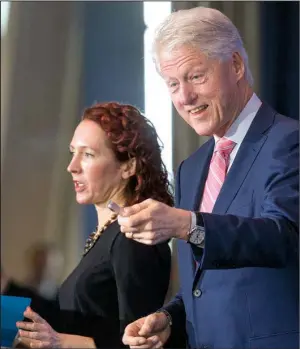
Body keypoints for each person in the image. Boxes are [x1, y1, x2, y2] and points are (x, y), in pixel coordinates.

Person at [120, 6, 299, 349]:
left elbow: (285, 237)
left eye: (196, 76)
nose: (185, 98)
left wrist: (188, 224)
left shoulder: (289, 141)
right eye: (173, 84)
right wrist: (170, 318)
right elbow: (206, 283)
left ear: (235, 65)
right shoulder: (191, 168)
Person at [16, 102, 173, 348]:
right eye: (72, 153)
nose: (72, 167)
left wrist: (59, 342)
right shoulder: (107, 234)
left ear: (128, 166)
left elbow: (139, 342)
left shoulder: (134, 237)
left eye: (87, 154)